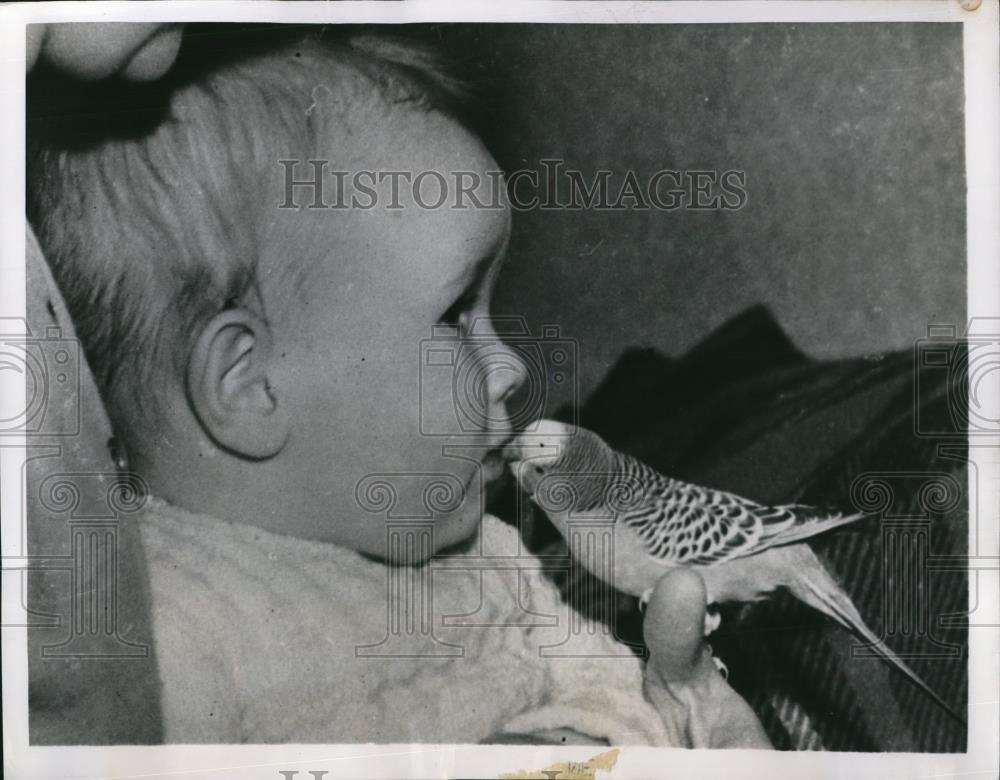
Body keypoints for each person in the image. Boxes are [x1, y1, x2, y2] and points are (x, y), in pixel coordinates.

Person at [27, 26, 770, 748]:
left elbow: (607, 693)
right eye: (455, 314)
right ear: (249, 387)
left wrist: (662, 718)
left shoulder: (490, 553)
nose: (509, 363)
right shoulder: (160, 646)